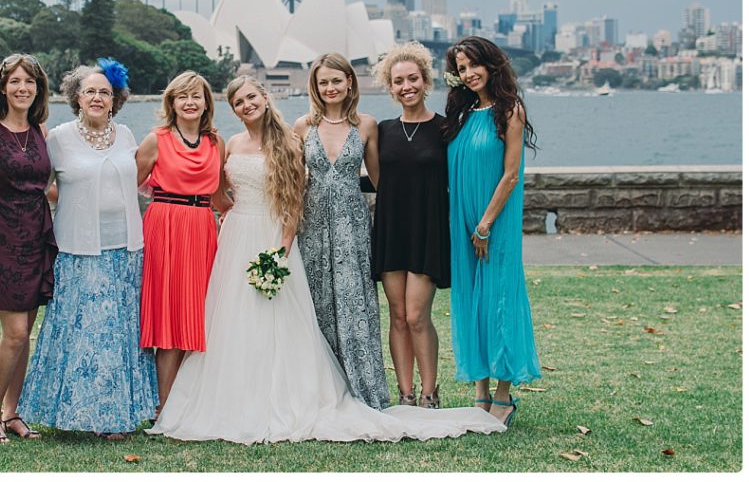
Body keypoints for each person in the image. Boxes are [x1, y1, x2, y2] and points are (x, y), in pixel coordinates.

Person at [148, 75, 505, 444]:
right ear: (232, 109)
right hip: (236, 234)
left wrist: (283, 245)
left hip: (273, 236)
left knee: (278, 319)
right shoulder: (229, 143)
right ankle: (231, 394)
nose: (246, 105)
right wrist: (234, 215)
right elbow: (215, 192)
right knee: (228, 317)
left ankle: (289, 396)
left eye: (252, 97)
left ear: (265, 97)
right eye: (238, 102)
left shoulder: (289, 139)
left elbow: (293, 197)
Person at [17, 59, 158, 440]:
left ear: (116, 100)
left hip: (126, 249)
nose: (97, 97)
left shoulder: (127, 136)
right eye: (90, 91)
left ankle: (116, 416)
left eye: (105, 92)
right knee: (84, 332)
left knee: (120, 334)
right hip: (79, 250)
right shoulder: (59, 138)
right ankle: (71, 411)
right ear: (76, 97)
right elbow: (36, 182)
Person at [444, 36, 542, 427]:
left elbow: (511, 174)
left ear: (490, 64)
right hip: (462, 222)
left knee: (499, 301)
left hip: (492, 223)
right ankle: (480, 393)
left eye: (473, 65)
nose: (468, 74)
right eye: (461, 68)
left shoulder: (509, 110)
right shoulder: (464, 113)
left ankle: (504, 396)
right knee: (471, 302)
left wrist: (485, 224)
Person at [0, 53, 57, 443]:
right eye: (16, 82)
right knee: (15, 332)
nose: (23, 89)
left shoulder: (41, 130)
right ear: (2, 87)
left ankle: (12, 412)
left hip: (38, 232)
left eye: (30, 83)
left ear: (38, 90)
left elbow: (49, 183)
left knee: (28, 331)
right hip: (2, 234)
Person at [293, 53, 388, 410]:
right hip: (312, 224)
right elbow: (289, 180)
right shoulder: (302, 126)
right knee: (316, 305)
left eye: (337, 80)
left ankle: (363, 390)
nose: (330, 88)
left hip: (352, 225)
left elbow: (379, 181)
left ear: (350, 82)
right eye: (323, 82)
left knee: (354, 305)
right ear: (315, 88)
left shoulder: (366, 125)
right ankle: (320, 393)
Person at [136, 71, 232, 415]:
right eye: (183, 97)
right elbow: (124, 188)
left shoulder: (216, 143)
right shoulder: (156, 140)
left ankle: (191, 401)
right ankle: (162, 406)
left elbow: (220, 197)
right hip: (165, 226)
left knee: (199, 313)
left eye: (197, 96)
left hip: (202, 227)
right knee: (168, 316)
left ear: (207, 102)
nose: (190, 103)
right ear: (172, 103)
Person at [371, 42, 450, 409]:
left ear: (425, 80)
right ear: (390, 87)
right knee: (398, 316)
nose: (407, 86)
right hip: (390, 229)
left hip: (427, 231)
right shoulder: (383, 130)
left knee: (418, 315)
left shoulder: (446, 129)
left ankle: (429, 391)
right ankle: (404, 393)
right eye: (398, 81)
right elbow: (371, 176)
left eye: (413, 79)